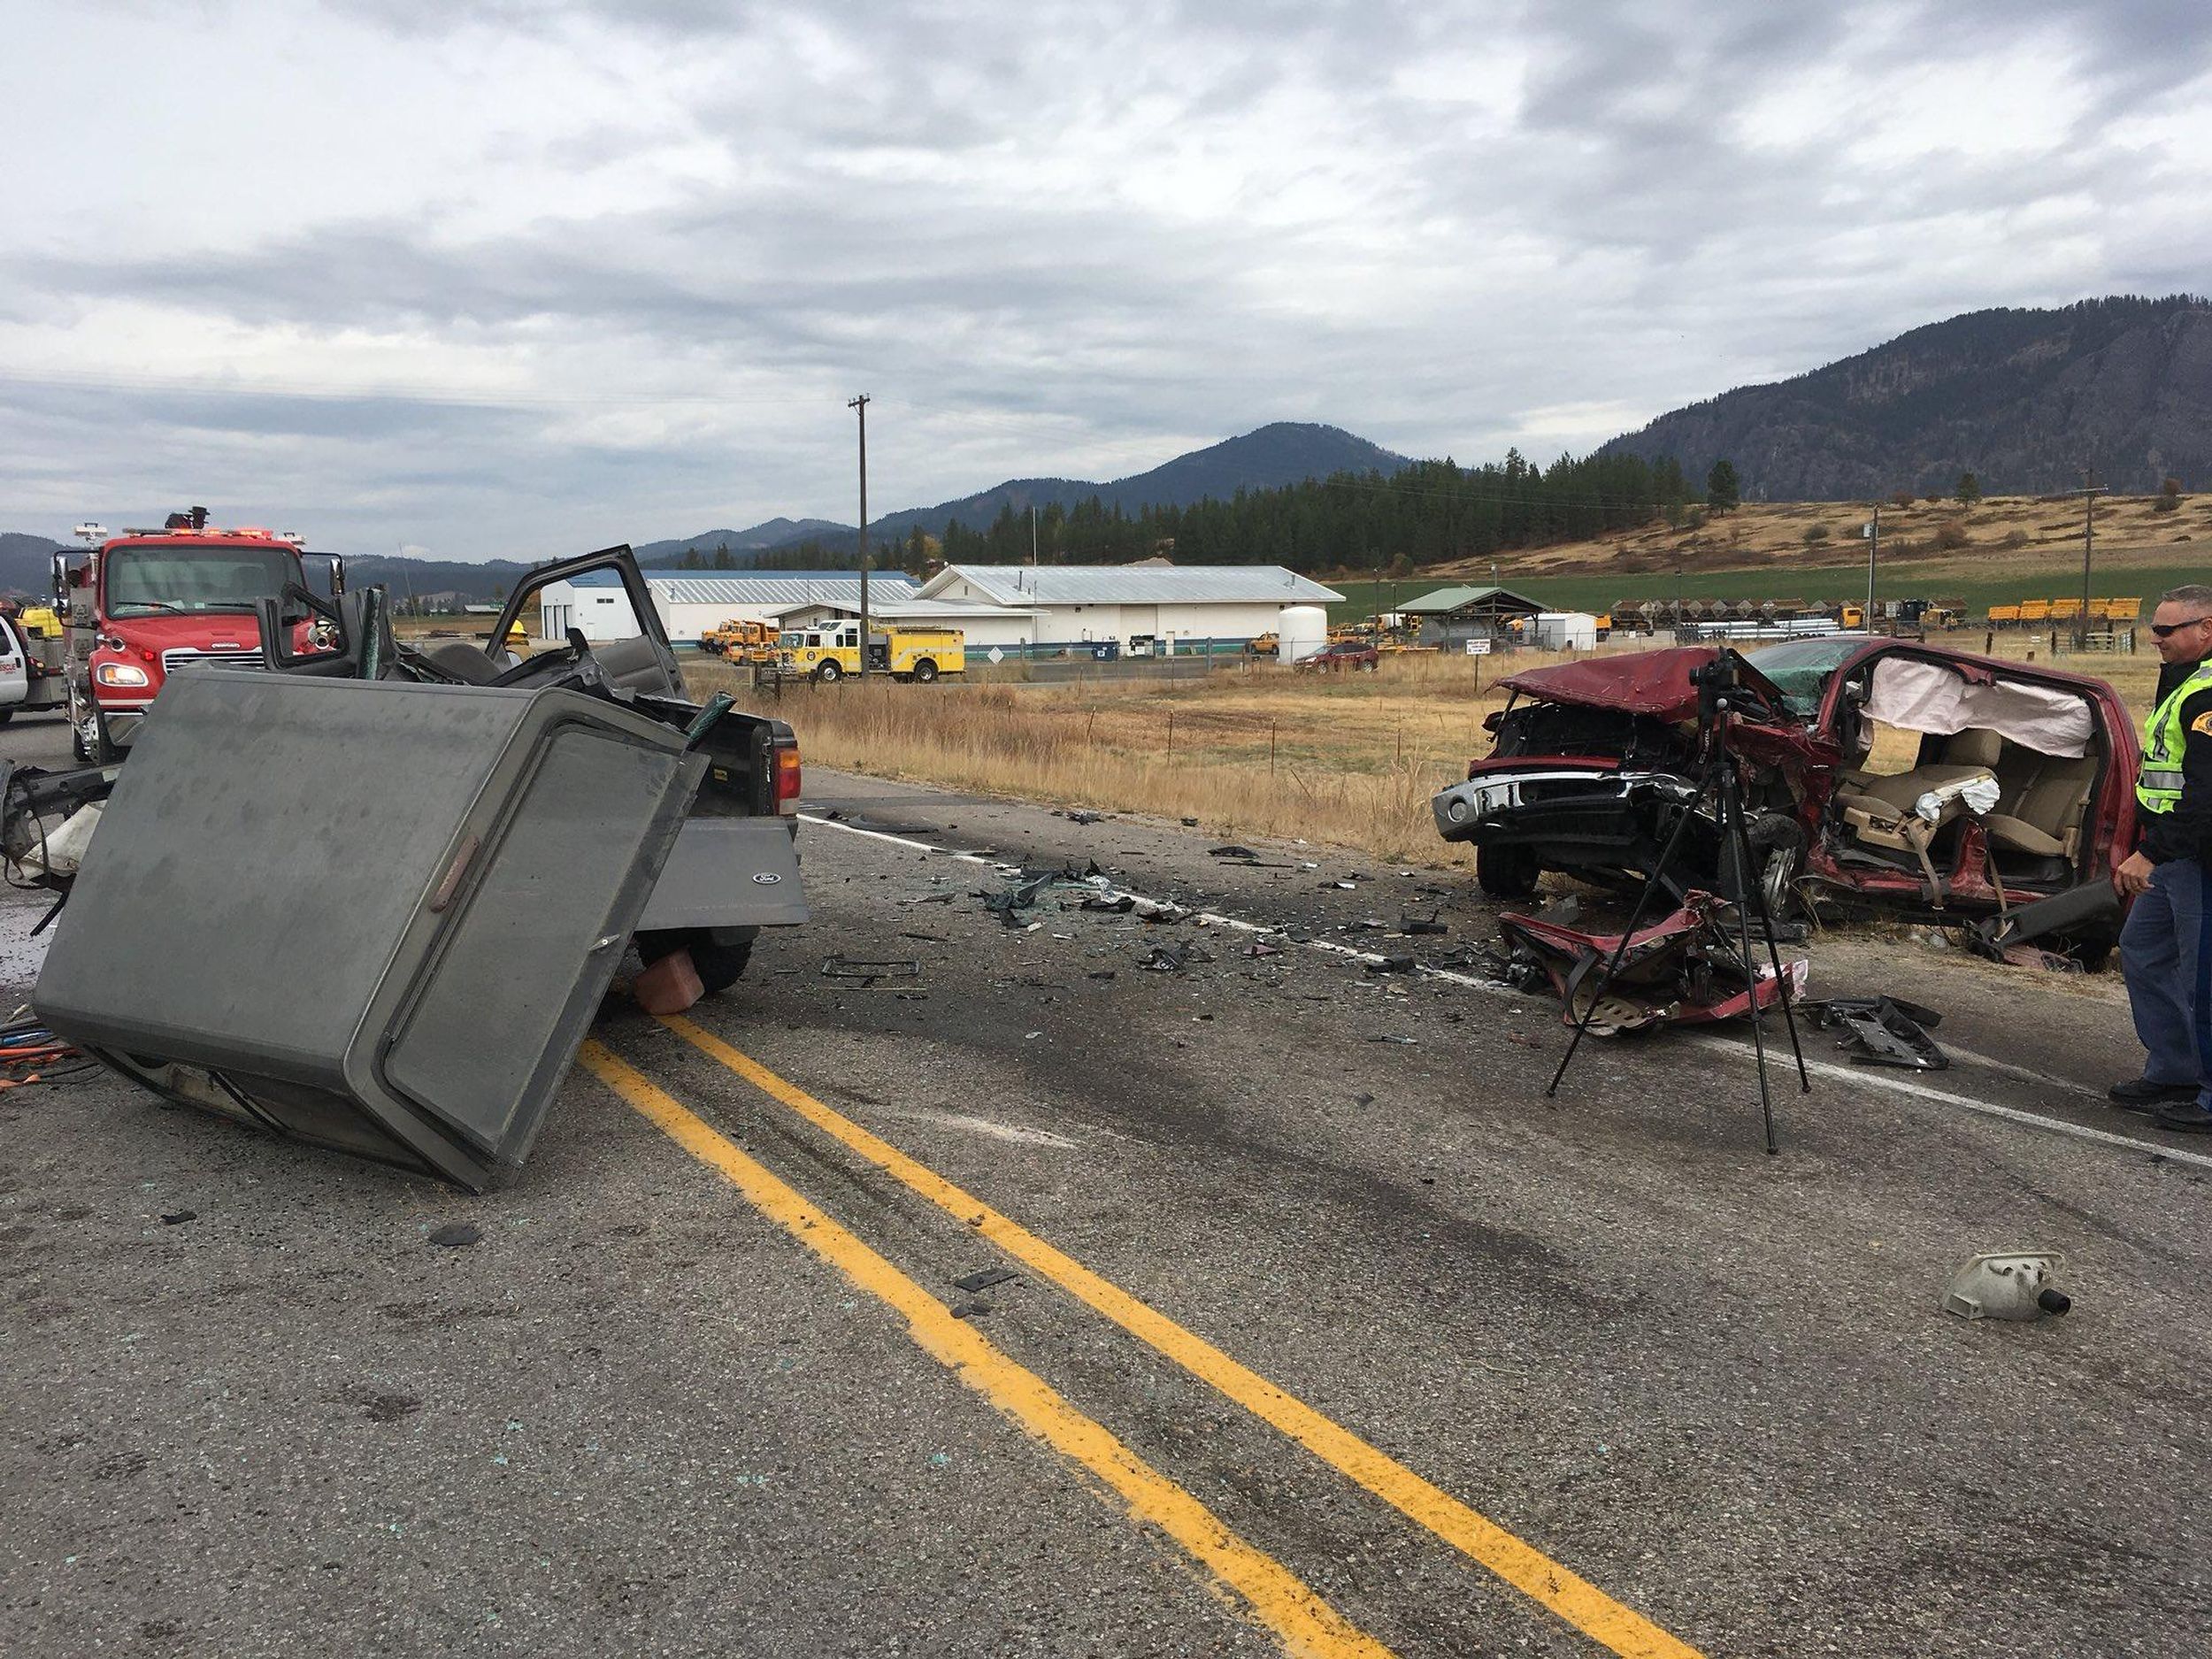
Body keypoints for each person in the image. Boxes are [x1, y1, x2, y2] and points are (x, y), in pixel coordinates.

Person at [2113, 584, 2212, 1133]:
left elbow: (2206, 797)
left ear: (2206, 629)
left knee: (2204, 978)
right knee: (2144, 950)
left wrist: (2150, 854)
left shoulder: (2208, 694)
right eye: (2155, 629)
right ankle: (2175, 1068)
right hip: (2172, 852)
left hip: (2194, 855)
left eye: (2167, 630)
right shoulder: (2184, 680)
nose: (2156, 639)